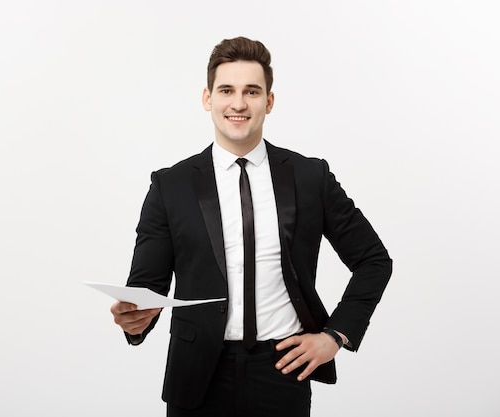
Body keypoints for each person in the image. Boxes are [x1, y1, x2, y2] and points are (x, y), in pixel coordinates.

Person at [110, 36, 392, 417]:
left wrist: (335, 336)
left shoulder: (311, 177)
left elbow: (374, 260)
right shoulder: (169, 186)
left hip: (282, 370)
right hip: (196, 376)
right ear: (208, 98)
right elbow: (147, 289)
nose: (239, 103)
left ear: (269, 102)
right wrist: (134, 318)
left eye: (252, 91)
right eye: (227, 90)